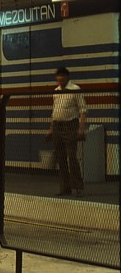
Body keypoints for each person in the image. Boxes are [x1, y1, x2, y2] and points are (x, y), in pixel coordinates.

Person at [46, 67, 87, 197]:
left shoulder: (75, 89)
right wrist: (51, 129)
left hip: (70, 125)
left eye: (62, 77)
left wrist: (81, 128)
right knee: (61, 158)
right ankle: (65, 188)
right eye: (58, 78)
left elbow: (82, 110)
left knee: (72, 157)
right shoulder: (56, 91)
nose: (60, 80)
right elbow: (54, 111)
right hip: (57, 126)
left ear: (67, 77)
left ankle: (78, 187)